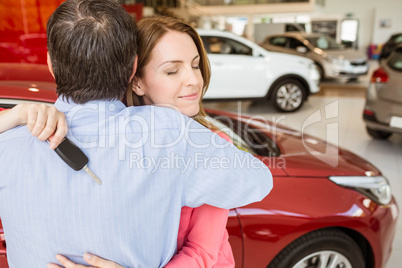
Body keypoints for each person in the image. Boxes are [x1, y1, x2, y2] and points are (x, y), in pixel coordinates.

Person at [0, 1, 272, 268]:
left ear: (50, 62)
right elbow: (259, 181)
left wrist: (12, 118)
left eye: (196, 65)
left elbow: (204, 250)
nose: (193, 80)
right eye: (172, 70)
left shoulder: (9, 144)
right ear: (134, 72)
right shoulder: (168, 133)